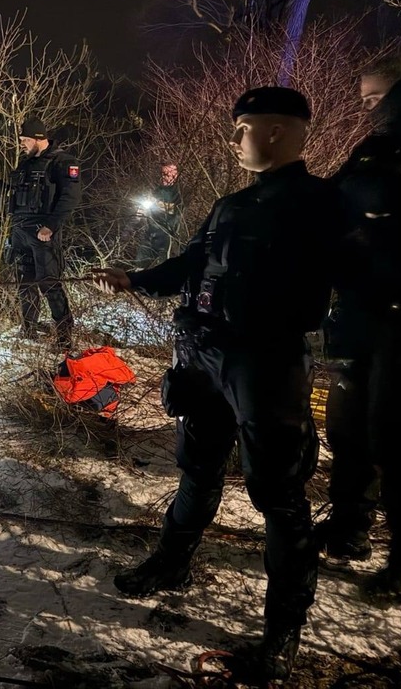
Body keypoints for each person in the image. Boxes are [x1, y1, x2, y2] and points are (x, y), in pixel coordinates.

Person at [91, 88, 337, 683]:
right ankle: (172, 564)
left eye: (242, 128)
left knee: (278, 493)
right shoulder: (231, 205)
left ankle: (282, 631)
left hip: (267, 363)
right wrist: (134, 280)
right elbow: (191, 264)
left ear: (277, 132)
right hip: (203, 354)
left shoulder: (322, 203)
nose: (234, 140)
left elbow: (365, 277)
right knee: (197, 464)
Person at [317, 53, 401, 603]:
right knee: (346, 428)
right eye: (363, 100)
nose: (367, 109)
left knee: (394, 439)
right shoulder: (371, 149)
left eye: (374, 99)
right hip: (360, 313)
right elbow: (332, 202)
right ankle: (349, 526)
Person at [0, 116, 82, 349]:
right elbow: (14, 196)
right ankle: (29, 329)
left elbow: (71, 197)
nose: (22, 144)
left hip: (43, 232)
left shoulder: (63, 162)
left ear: (39, 138)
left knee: (49, 283)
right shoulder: (25, 164)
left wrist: (52, 226)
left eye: (25, 139)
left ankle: (64, 337)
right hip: (20, 231)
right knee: (24, 284)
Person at [133, 161, 183, 267]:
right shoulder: (155, 190)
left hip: (167, 236)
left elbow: (175, 211)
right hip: (150, 233)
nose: (168, 176)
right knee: (141, 263)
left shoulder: (179, 193)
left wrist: (156, 204)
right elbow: (142, 211)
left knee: (163, 266)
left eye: (172, 173)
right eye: (165, 173)